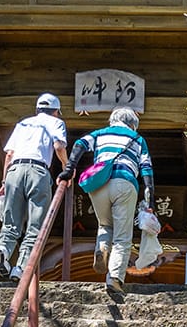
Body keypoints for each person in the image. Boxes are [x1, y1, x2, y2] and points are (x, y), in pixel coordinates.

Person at [63, 107, 154, 294]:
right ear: (132, 124)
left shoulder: (100, 133)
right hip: (124, 182)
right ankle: (114, 277)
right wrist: (150, 199)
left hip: (98, 184)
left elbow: (80, 144)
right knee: (122, 236)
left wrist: (70, 167)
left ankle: (102, 248)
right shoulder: (137, 139)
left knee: (105, 224)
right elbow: (146, 168)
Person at [0, 92, 69, 278]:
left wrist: (4, 182)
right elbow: (59, 146)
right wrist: (67, 168)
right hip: (38, 171)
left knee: (11, 221)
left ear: (37, 109)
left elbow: (9, 154)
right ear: (56, 111)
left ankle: (3, 248)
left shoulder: (23, 124)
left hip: (14, 171)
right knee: (36, 225)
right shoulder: (55, 123)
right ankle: (21, 268)